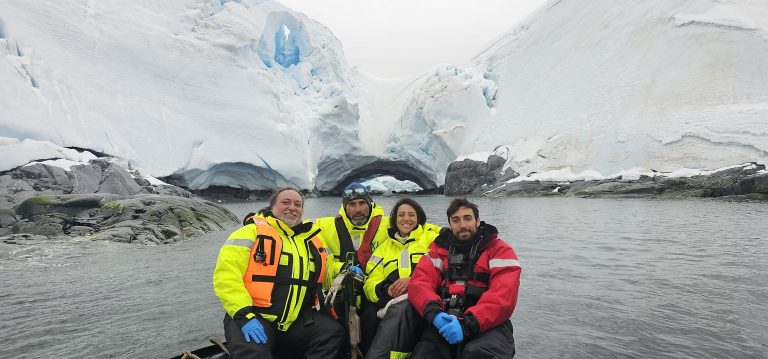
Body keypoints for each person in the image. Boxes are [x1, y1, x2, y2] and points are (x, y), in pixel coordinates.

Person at [212, 188, 343, 359]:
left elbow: (327, 271)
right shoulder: (250, 233)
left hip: (295, 322)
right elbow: (226, 277)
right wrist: (244, 316)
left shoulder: (313, 241)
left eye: (298, 204)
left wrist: (342, 270)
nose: (292, 207)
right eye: (285, 202)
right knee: (254, 354)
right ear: (272, 206)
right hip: (254, 318)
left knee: (332, 333)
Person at [408, 198, 521, 359]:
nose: (462, 225)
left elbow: (503, 297)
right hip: (445, 320)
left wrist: (468, 324)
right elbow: (419, 283)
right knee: (425, 353)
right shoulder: (438, 251)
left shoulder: (499, 250)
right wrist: (435, 315)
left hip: (487, 325)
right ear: (450, 225)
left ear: (477, 221)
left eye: (467, 218)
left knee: (481, 354)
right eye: (456, 220)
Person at [315, 182, 391, 355]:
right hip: (340, 295)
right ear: (344, 206)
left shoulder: (387, 225)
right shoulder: (326, 226)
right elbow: (293, 225)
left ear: (370, 203)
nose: (358, 209)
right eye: (352, 204)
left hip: (371, 294)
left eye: (362, 203)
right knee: (334, 332)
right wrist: (262, 218)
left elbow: (419, 227)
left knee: (372, 321)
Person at [364, 197, 440, 359]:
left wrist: (414, 281)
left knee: (403, 310)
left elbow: (442, 268)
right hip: (392, 301)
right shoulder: (383, 249)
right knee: (368, 316)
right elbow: (370, 282)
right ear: (394, 219)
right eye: (401, 215)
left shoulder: (431, 239)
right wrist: (386, 289)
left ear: (419, 218)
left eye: (411, 215)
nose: (406, 219)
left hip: (425, 299)